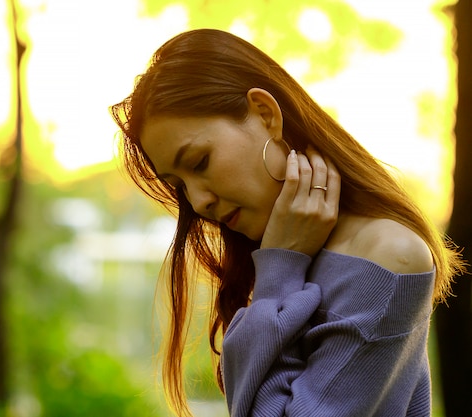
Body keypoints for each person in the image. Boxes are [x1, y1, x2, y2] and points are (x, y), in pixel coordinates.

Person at [110, 28, 464, 417]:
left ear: (265, 114)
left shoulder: (387, 258)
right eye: (179, 185)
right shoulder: (292, 251)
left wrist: (280, 266)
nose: (198, 201)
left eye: (199, 163)